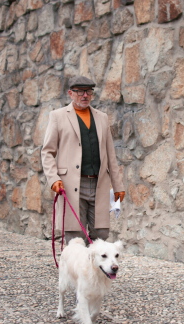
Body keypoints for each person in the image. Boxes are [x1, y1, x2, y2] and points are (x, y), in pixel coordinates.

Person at [41, 75, 125, 244]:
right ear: (70, 93)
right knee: (75, 235)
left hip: (98, 183)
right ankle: (76, 269)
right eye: (80, 92)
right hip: (71, 183)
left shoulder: (101, 118)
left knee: (101, 232)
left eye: (88, 92)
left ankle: (92, 268)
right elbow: (47, 152)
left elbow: (110, 155)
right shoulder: (57, 116)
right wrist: (53, 179)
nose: (85, 95)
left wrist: (118, 185)